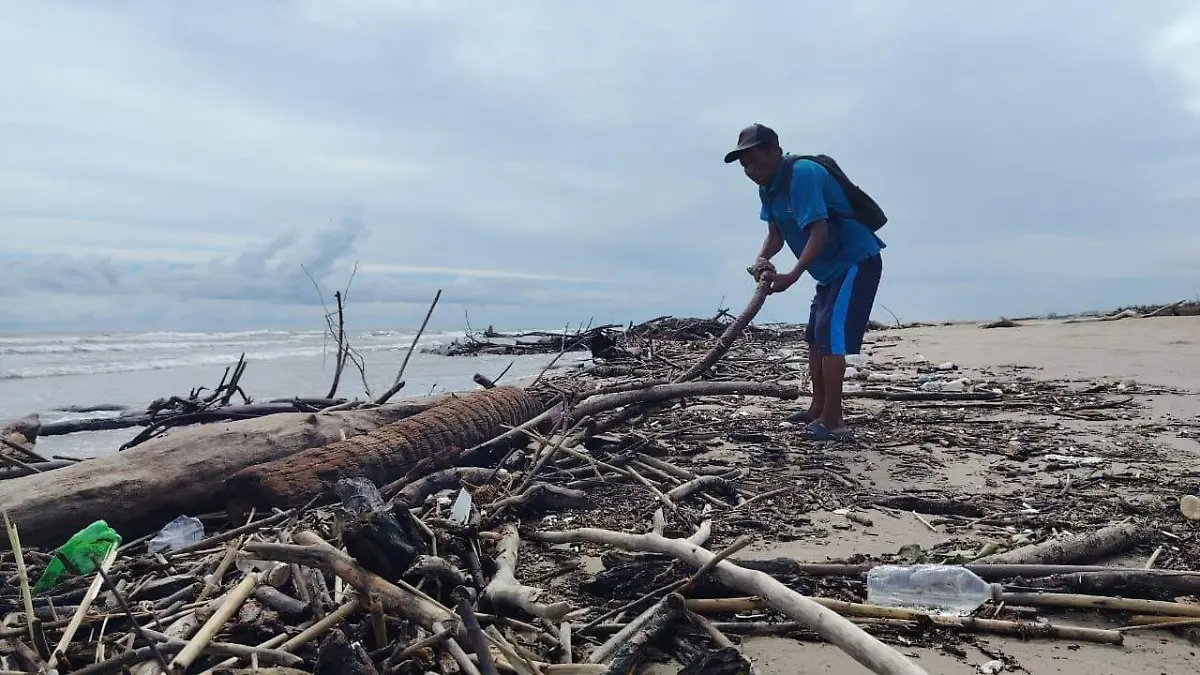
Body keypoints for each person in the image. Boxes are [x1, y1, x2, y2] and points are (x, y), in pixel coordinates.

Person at [723, 123, 885, 441]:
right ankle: (817, 408)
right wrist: (761, 259)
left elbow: (819, 233)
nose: (750, 170)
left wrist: (791, 276)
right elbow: (776, 235)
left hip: (854, 261)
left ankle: (834, 420)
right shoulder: (767, 188)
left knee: (831, 335)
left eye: (754, 160)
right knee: (814, 336)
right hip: (827, 272)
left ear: (774, 150)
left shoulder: (803, 175)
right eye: (744, 166)